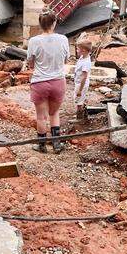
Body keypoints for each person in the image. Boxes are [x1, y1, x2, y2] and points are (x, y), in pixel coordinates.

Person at [26, 11, 71, 153]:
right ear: (54, 23)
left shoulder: (34, 41)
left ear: (40, 24)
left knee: (41, 116)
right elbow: (66, 60)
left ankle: (41, 145)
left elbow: (31, 63)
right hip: (58, 81)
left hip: (39, 82)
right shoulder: (63, 39)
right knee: (54, 113)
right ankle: (56, 144)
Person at [72, 36, 94, 119]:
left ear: (83, 50)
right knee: (78, 99)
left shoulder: (86, 63)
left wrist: (80, 90)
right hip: (78, 82)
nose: (76, 50)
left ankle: (80, 117)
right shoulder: (82, 57)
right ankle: (83, 113)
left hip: (81, 84)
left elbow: (84, 77)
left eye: (77, 49)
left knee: (78, 101)